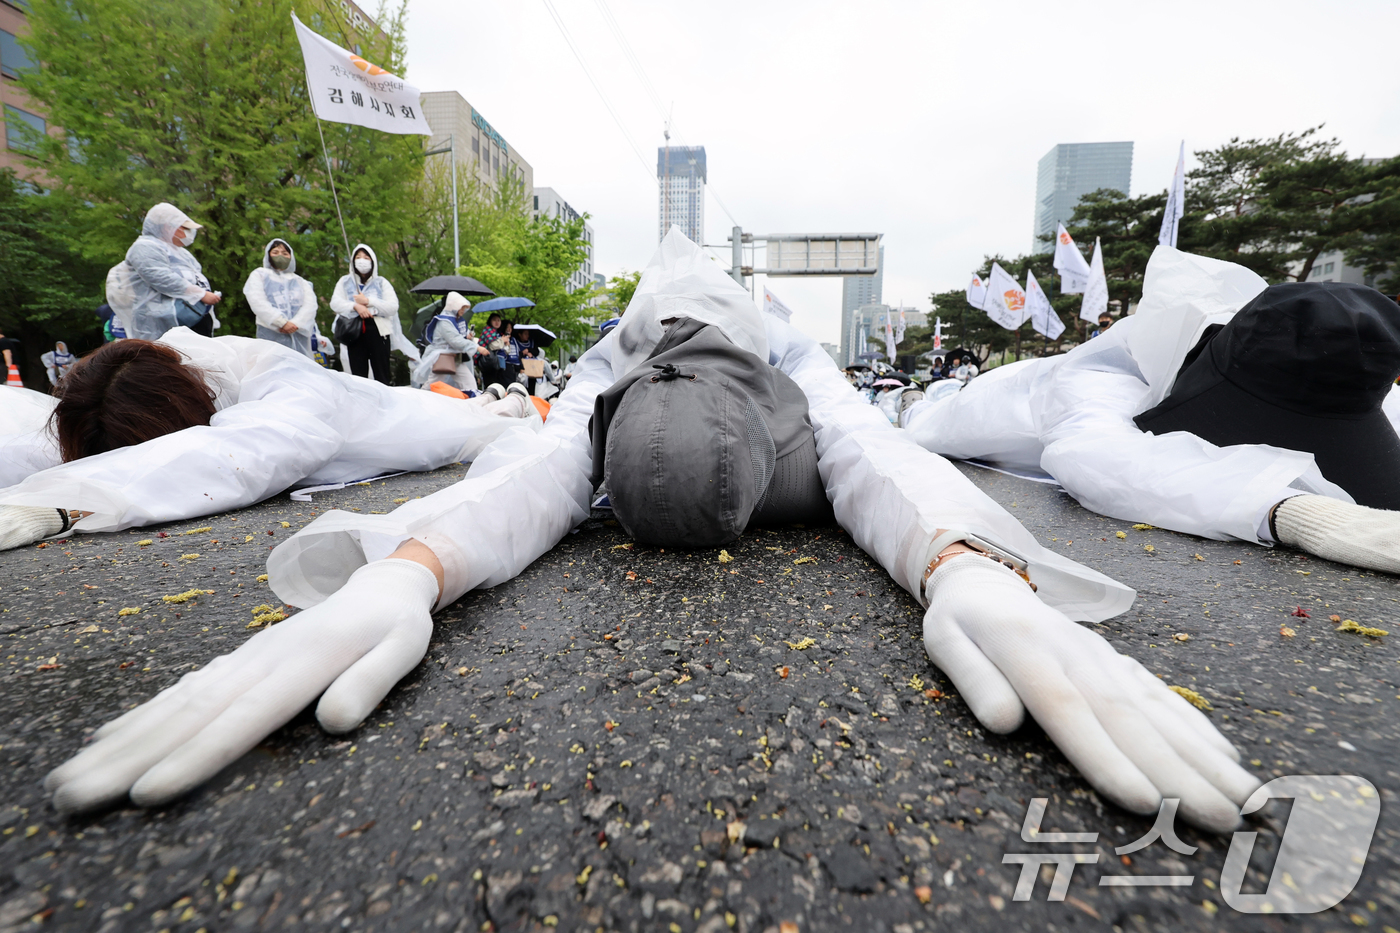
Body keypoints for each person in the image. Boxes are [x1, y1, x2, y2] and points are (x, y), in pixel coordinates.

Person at [43, 230, 1258, 836]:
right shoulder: (623, 363)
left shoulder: (771, 355)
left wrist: (966, 566)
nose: (686, 313)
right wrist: (403, 568)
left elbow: (865, 445)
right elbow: (544, 458)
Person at [901, 245, 1400, 575]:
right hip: (993, 399)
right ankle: (910, 395)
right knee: (922, 419)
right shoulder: (1099, 374)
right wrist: (1297, 514)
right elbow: (1098, 459)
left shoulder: (1318, 351)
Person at [0, 328, 539, 550]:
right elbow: (43, 447)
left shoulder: (279, 379)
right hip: (383, 415)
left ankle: (504, 396)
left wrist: (67, 499)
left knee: (493, 417)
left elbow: (244, 454)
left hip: (412, 420)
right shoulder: (127, 391)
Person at [118, 202, 221, 340]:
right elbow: (160, 277)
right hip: (163, 321)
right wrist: (200, 294)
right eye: (184, 228)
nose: (189, 233)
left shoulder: (181, 252)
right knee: (166, 359)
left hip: (192, 317)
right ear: (168, 227)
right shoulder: (145, 247)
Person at [330, 244, 416, 383]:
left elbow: (392, 307)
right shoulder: (345, 281)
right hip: (354, 332)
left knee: (381, 373)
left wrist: (369, 301)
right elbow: (335, 303)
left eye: (366, 257)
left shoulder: (382, 282)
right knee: (358, 375)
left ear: (373, 261)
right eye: (358, 258)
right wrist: (355, 306)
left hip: (378, 332)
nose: (362, 260)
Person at [243, 239, 318, 358]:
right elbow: (257, 300)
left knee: (301, 369)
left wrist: (295, 323)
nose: (280, 256)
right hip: (271, 332)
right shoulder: (260, 275)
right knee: (271, 366)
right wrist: (281, 322)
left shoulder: (300, 281)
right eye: (275, 252)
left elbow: (310, 305)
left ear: (291, 256)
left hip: (298, 334)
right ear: (268, 255)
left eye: (284, 253)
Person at [412, 292, 480, 392]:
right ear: (455, 306)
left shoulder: (457, 320)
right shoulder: (444, 321)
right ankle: (419, 401)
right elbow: (455, 340)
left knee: (470, 385)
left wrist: (466, 337)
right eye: (462, 307)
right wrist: (477, 347)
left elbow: (457, 337)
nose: (464, 310)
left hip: (456, 358)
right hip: (443, 358)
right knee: (432, 385)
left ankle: (473, 403)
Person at [476, 313, 508, 389]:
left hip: (499, 362)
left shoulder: (499, 333)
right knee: (490, 385)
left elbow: (506, 350)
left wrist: (506, 343)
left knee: (499, 386)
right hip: (488, 361)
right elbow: (492, 346)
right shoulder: (487, 330)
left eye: (499, 320)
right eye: (494, 320)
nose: (497, 322)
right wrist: (502, 340)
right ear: (490, 321)